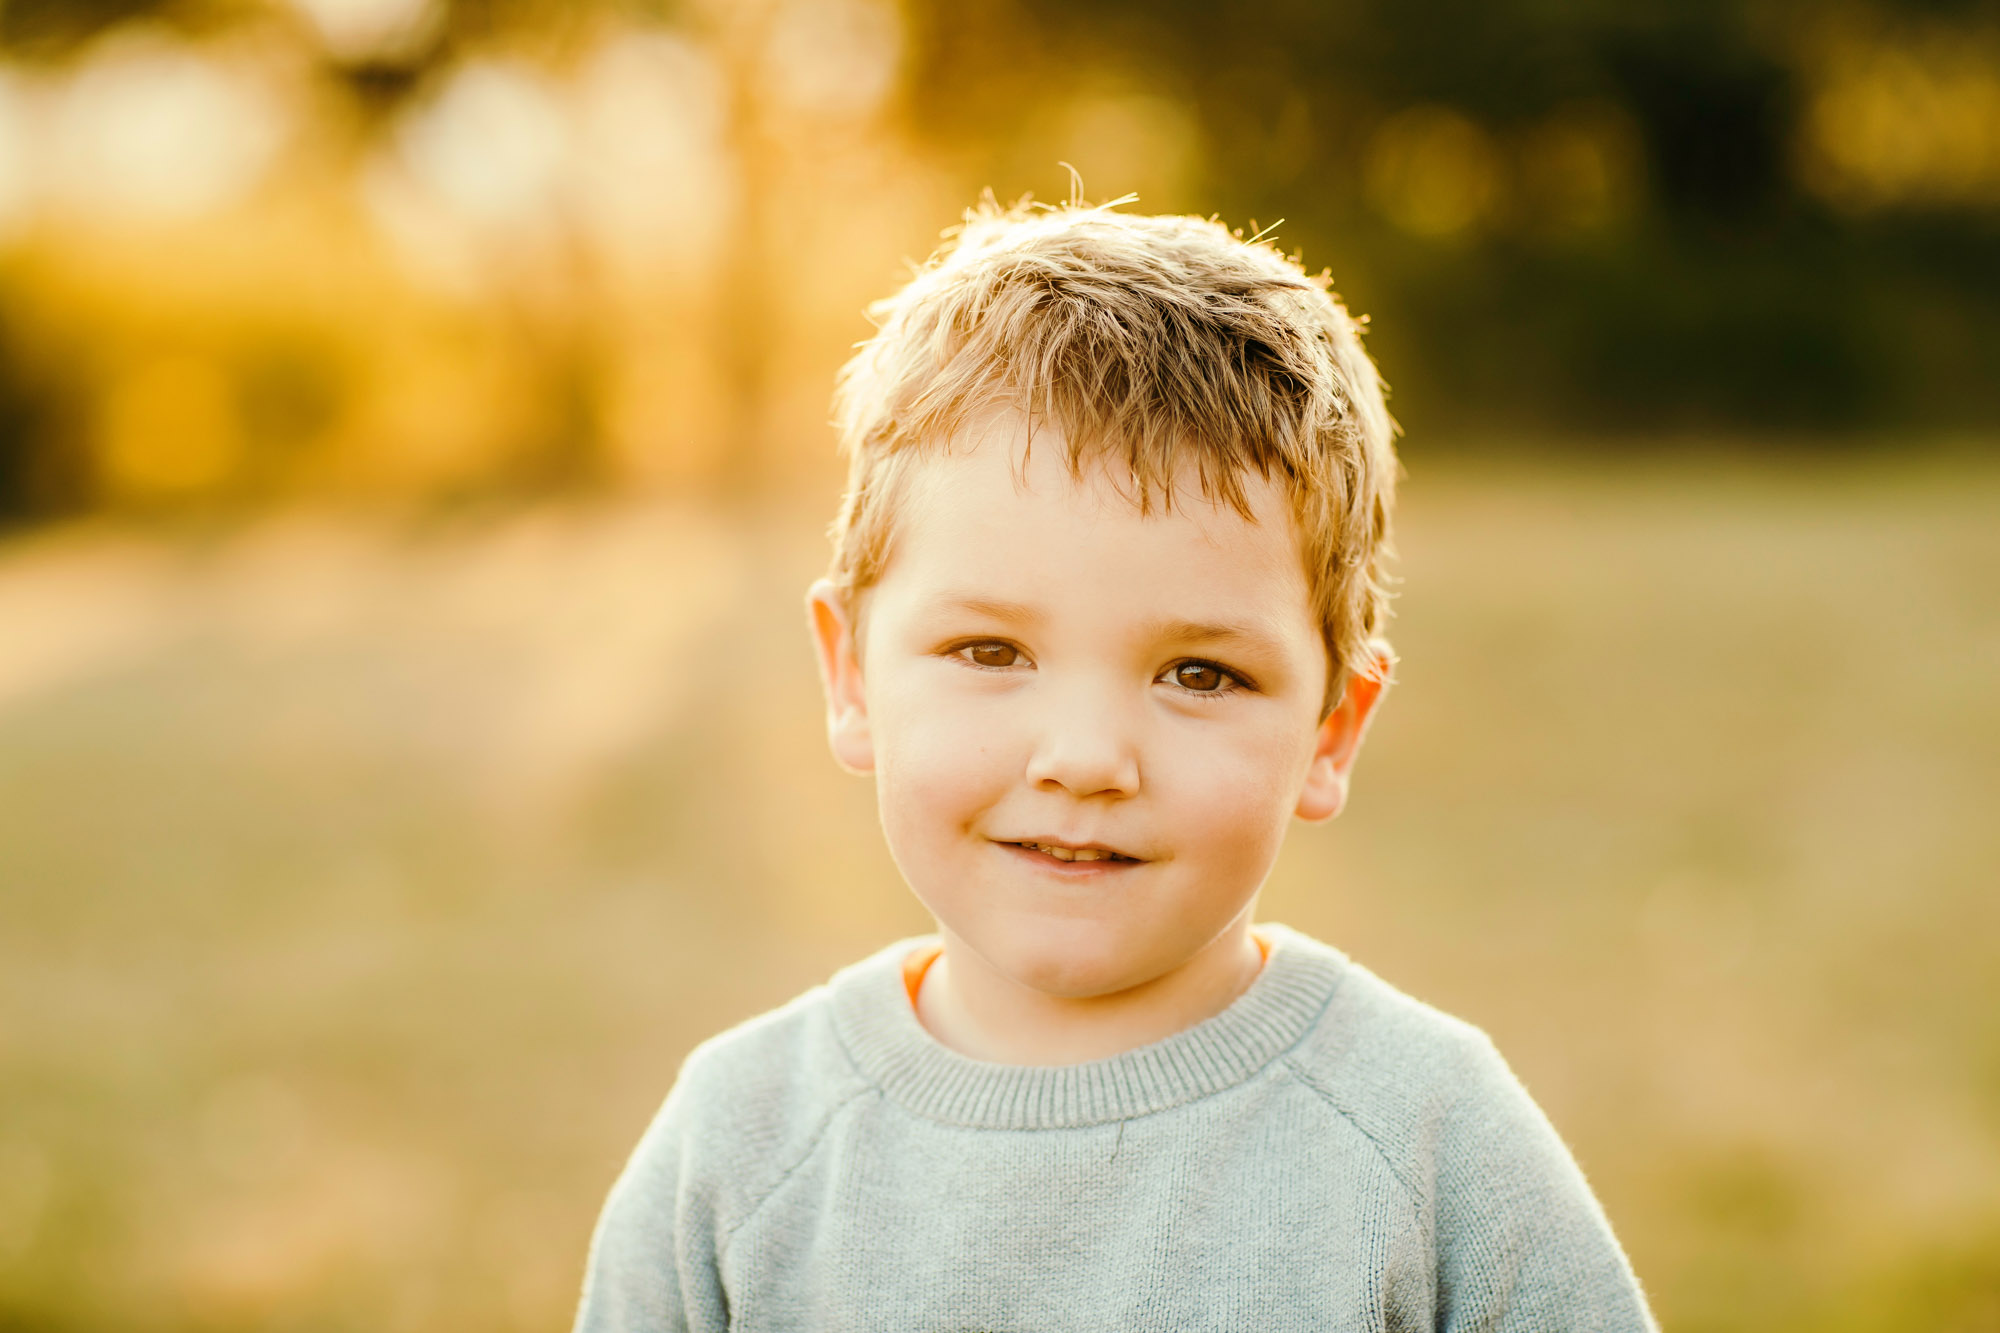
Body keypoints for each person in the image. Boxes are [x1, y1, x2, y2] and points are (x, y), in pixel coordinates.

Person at [572, 197, 1657, 1331]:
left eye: (1199, 674)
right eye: (988, 651)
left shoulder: (1427, 1138)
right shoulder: (742, 1149)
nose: (1086, 759)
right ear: (850, 676)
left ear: (1333, 728)